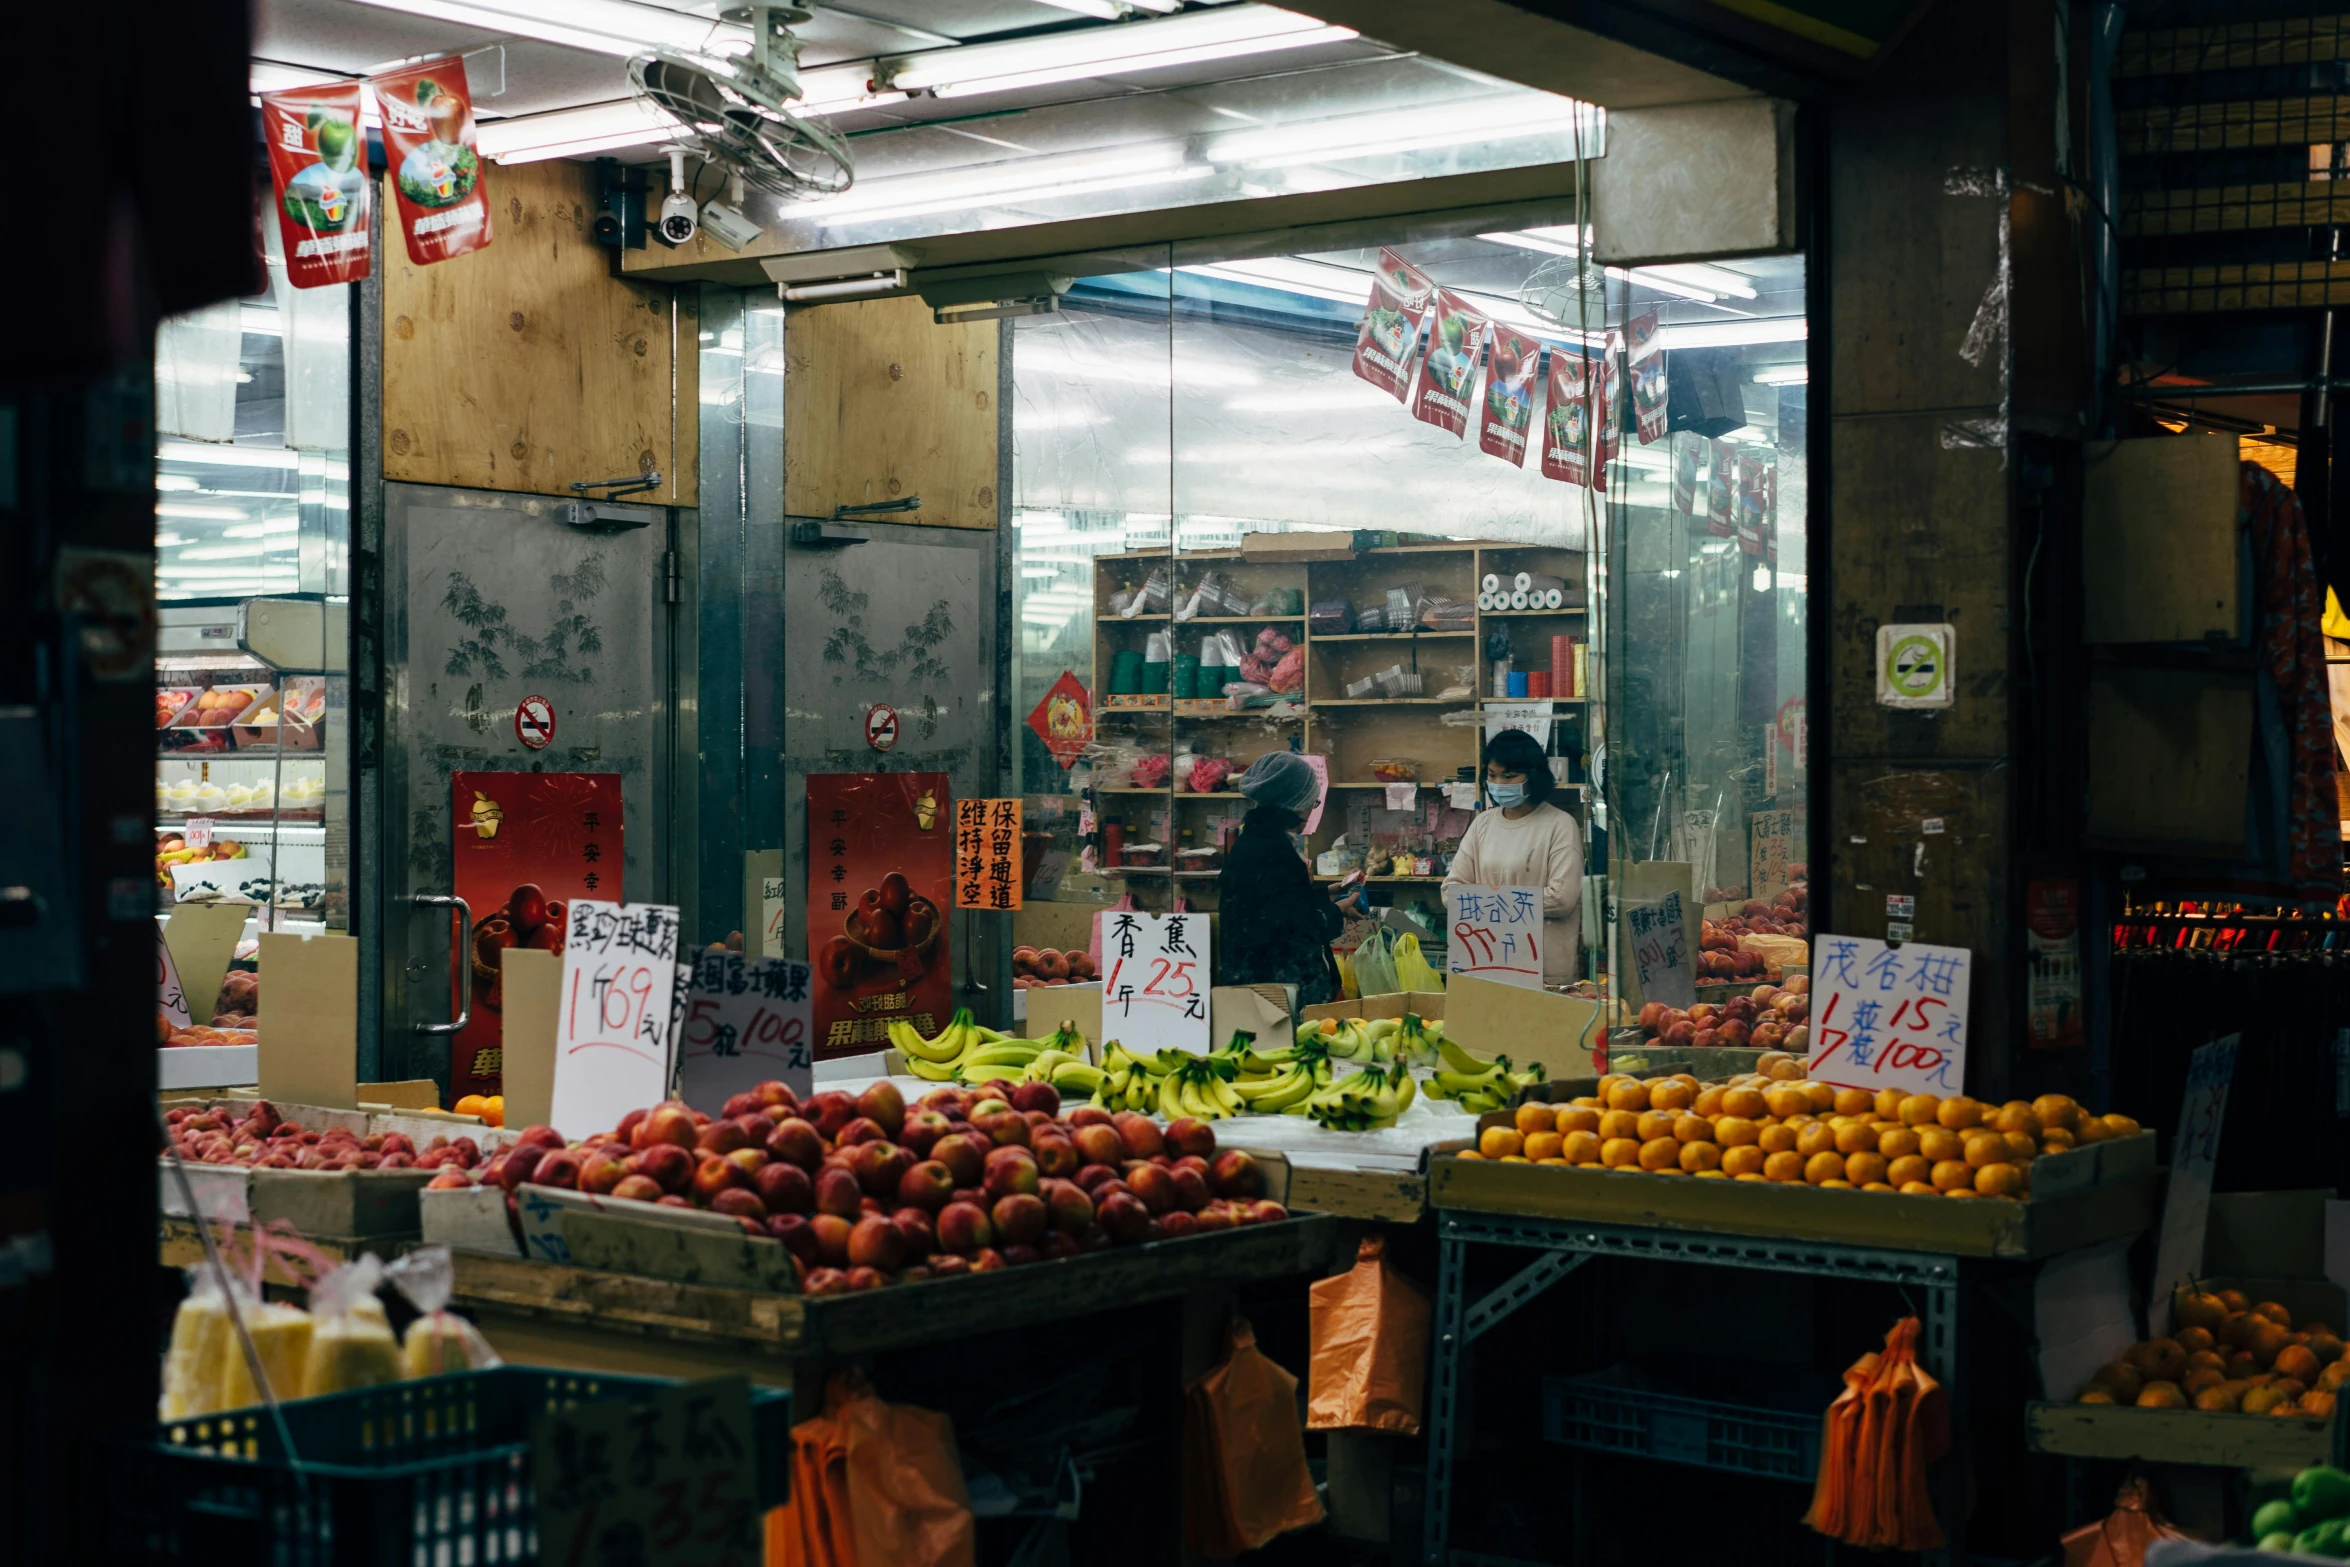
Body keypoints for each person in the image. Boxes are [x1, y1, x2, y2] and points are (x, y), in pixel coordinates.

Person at [1217, 752, 1368, 1007]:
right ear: (1295, 804)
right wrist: (1335, 910)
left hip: (1266, 984)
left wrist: (1324, 895)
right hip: (1273, 995)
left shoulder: (1260, 842)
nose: (1312, 809)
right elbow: (1293, 931)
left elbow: (1281, 905)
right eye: (1313, 802)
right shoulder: (1270, 851)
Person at [1444, 729, 1584, 986]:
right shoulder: (1482, 824)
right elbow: (1451, 892)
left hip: (1545, 969)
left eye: (1509, 776)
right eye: (1492, 775)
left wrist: (1484, 901)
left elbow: (1562, 899)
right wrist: (1512, 901)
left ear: (1533, 775)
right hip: (1487, 963)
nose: (1499, 784)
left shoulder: (1560, 825)